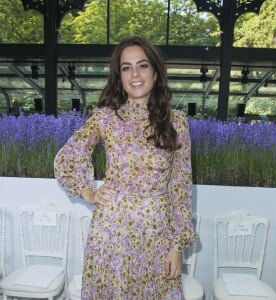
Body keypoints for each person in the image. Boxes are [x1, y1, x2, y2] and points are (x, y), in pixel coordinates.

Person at [54, 36, 195, 300]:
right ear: (119, 76)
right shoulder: (106, 117)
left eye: (142, 65)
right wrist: (89, 193)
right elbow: (69, 156)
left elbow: (180, 190)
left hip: (156, 233)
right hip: (111, 233)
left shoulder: (177, 123)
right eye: (126, 67)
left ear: (155, 71)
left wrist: (176, 247)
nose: (135, 74)